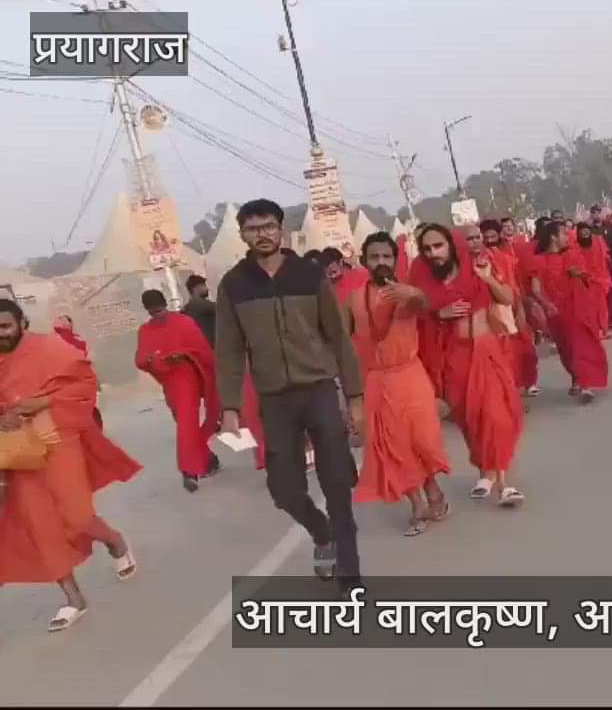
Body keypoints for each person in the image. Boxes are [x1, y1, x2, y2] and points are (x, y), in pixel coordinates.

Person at [215, 198, 365, 592]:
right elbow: (229, 349)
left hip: (317, 389)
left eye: (268, 226)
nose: (261, 234)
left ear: (281, 229)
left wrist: (354, 396)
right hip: (274, 399)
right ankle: (321, 532)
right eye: (252, 228)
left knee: (336, 483)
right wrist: (229, 406)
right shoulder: (233, 284)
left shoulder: (309, 274)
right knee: (283, 489)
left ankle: (350, 573)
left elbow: (338, 337)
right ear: (243, 234)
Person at [0, 299, 140, 632]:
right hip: (18, 453)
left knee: (76, 515)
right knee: (40, 526)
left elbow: (83, 384)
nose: (0, 333)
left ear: (23, 323)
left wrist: (41, 401)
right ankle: (73, 599)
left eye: (5, 325)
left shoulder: (50, 348)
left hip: (59, 440)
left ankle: (114, 541)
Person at [347, 232, 451, 537]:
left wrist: (413, 296)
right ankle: (417, 503)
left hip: (410, 376)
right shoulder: (354, 299)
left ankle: (433, 488)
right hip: (377, 380)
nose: (381, 262)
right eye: (375, 257)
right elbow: (343, 341)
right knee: (394, 446)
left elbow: (424, 304)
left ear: (395, 259)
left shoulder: (408, 293)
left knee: (423, 441)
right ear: (364, 261)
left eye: (387, 257)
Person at [414, 223, 526, 506]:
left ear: (451, 245)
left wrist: (487, 278)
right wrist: (439, 313)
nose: (433, 253)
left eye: (438, 246)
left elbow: (507, 298)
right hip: (454, 358)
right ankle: (484, 472)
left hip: (486, 350)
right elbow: (417, 316)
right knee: (470, 420)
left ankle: (504, 484)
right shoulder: (424, 279)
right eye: (427, 249)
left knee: (496, 415)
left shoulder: (476, 266)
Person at [136, 290, 221, 493]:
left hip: (188, 376)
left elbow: (202, 350)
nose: (158, 315)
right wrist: (151, 361)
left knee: (186, 424)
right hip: (170, 383)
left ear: (165, 305)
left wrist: (183, 355)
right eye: (153, 312)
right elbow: (140, 359)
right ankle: (208, 460)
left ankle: (189, 471)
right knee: (185, 425)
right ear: (147, 311)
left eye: (160, 310)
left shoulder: (183, 322)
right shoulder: (145, 331)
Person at [530, 221, 610, 403]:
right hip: (556, 312)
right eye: (564, 234)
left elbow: (588, 277)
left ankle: (585, 384)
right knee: (566, 348)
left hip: (577, 309)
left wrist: (579, 274)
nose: (568, 238)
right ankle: (576, 377)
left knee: (581, 344)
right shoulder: (539, 261)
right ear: (553, 237)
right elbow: (535, 289)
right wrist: (546, 304)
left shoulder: (572, 256)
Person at [483, 220, 540, 396]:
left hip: (515, 303)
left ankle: (530, 381)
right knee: (506, 354)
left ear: (500, 235)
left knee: (526, 349)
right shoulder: (482, 259)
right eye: (486, 237)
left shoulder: (510, 254)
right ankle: (511, 390)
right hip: (496, 311)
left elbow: (516, 285)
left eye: (493, 236)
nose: (490, 240)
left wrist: (522, 308)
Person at [574, 221, 612, 339]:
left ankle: (604, 329)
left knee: (602, 306)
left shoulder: (598, 240)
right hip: (586, 279)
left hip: (600, 278)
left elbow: (607, 257)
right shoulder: (575, 247)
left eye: (586, 230)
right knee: (590, 307)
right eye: (582, 232)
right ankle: (596, 330)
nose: (585, 233)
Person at [588, 205, 612, 328]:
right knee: (605, 291)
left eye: (598, 212)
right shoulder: (589, 231)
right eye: (593, 212)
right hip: (599, 264)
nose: (596, 215)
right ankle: (609, 315)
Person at [182, 274, 217, 347]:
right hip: (210, 346)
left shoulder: (186, 308)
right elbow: (223, 309)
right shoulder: (202, 304)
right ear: (196, 288)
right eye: (204, 285)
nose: (207, 288)